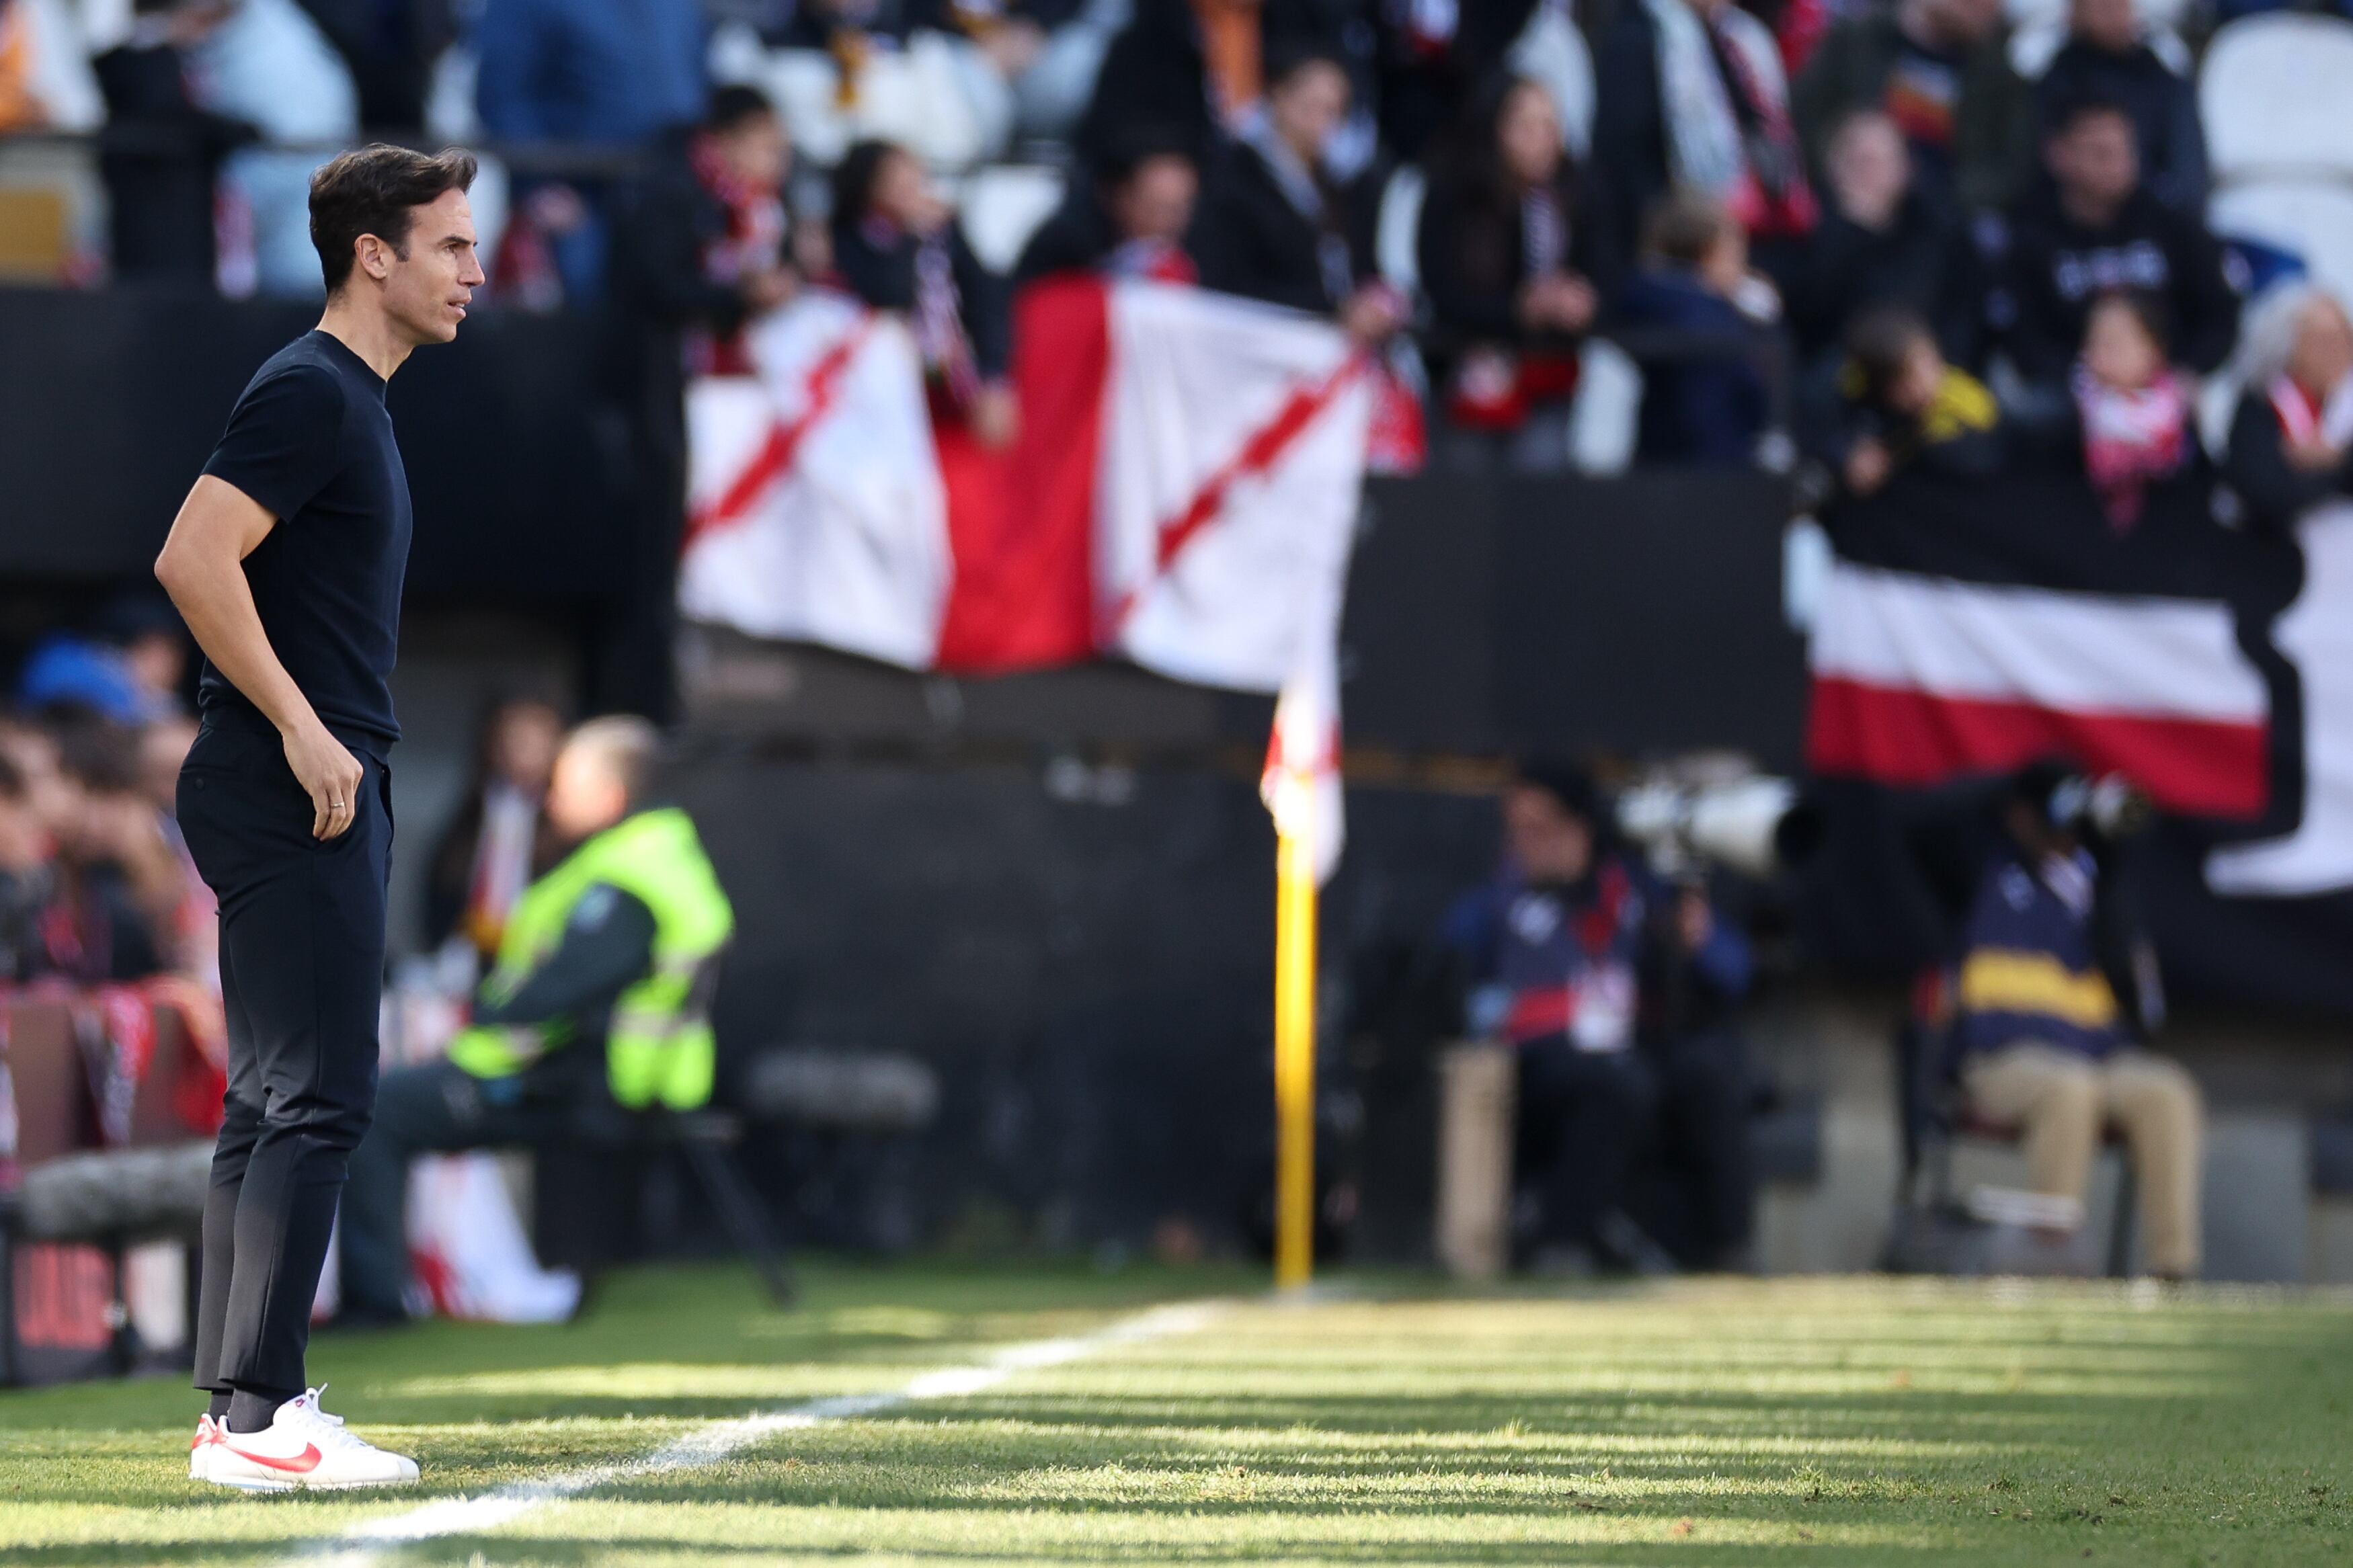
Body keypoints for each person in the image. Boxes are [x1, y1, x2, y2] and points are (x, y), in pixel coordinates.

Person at [152, 143, 483, 1491]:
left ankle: (240, 1403)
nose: (475, 269)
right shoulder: (311, 391)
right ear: (374, 253)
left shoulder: (353, 400)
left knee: (275, 1095)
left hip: (295, 773)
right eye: (451, 244)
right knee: (318, 1095)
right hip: (287, 776)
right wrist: (301, 723)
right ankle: (262, 1415)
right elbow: (191, 554)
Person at [339, 716, 735, 1323]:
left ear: (609, 795)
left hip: (574, 1083)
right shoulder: (658, 857)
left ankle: (375, 1308)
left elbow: (558, 990)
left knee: (375, 1115)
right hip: (611, 1078)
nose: (551, 799)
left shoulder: (627, 877)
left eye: (564, 784)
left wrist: (484, 1013)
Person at [1441, 766, 1757, 1272]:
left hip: (1629, 1053)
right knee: (1614, 1087)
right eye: (1516, 827)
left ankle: (1730, 1251)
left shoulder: (1632, 889)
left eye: (1539, 827)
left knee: (1710, 1071)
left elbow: (1736, 972)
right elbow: (1447, 981)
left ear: (1578, 828)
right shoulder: (1496, 903)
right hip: (1538, 1073)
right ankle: (1561, 1245)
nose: (1525, 842)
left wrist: (1699, 939)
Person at [1949, 766, 2200, 1280]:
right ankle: (2053, 1267)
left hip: (2094, 1052)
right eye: (2053, 814)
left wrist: (2109, 862)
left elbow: (2140, 998)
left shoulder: (2097, 884)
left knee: (2166, 1090)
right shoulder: (1981, 867)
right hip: (2002, 1057)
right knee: (2071, 1088)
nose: (2063, 829)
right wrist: (2016, 791)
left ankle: (2172, 1272)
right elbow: (1923, 824)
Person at [1417, 73, 1619, 468]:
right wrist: (1517, 309)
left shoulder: (1578, 190)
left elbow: (1608, 272)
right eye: (1525, 126)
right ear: (1494, 128)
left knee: (1536, 495)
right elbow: (1439, 288)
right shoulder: (1453, 193)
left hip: (1549, 375)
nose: (1541, 140)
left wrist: (1580, 301)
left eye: (1549, 126)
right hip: (1468, 377)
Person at [1989, 95, 2241, 393]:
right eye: (2100, 152)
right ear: (2058, 154)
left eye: (2125, 149)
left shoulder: (2171, 223)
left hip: (2166, 391)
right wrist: (2084, 384)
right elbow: (2021, 335)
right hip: (2067, 398)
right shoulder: (2030, 235)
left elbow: (2220, 312)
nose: (2118, 164)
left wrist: (2184, 373)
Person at [1188, 47, 1402, 342]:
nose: (1320, 124)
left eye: (1333, 111)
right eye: (1310, 106)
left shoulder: (1337, 185)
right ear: (1277, 95)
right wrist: (1333, 311)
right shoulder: (1234, 176)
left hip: (1331, 345)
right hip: (1262, 342)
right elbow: (1231, 283)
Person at [1590, 0, 1816, 274]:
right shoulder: (1637, 38)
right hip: (1677, 243)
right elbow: (1626, 157)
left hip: (1752, 228)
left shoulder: (1740, 36)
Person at [831, 139, 1019, 448]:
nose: (912, 186)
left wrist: (994, 375)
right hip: (880, 395)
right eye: (896, 177)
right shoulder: (848, 243)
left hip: (947, 382)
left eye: (914, 175)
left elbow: (984, 298)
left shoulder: (943, 233)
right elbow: (889, 296)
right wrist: (909, 236)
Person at [1791, 0, 2032, 215]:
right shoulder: (1856, 41)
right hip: (1840, 213)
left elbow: (2011, 173)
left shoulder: (2000, 79)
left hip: (1939, 231)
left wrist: (1933, 197)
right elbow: (1801, 122)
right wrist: (1843, 164)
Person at [1786, 108, 1970, 361]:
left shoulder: (1933, 232)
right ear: (1832, 166)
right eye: (1858, 161)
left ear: (1905, 169)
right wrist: (1849, 228)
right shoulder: (1804, 232)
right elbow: (1809, 311)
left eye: (1879, 161)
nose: (1869, 173)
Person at [1615, 191, 1777, 468]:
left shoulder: (1717, 310)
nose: (1742, 264)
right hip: (1697, 475)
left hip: (1687, 471)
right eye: (1734, 251)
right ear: (1707, 252)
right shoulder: (1702, 316)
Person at [1802, 303, 2001, 498]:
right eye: (1905, 383)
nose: (1922, 388)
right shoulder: (1844, 397)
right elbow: (1807, 426)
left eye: (1928, 366)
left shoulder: (1965, 404)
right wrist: (1845, 454)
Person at [423, 696, 566, 958]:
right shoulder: (474, 808)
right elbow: (441, 881)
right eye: (512, 738)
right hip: (463, 952)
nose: (520, 751)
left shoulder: (562, 820)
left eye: (533, 740)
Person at [2034, 0, 2204, 216]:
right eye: (2101, 5)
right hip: (2074, 224)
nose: (2113, 12)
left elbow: (2188, 175)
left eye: (2120, 4)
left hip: (2152, 218)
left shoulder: (2164, 83)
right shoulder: (2055, 83)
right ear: (2074, 13)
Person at [2221, 284, 2353, 533]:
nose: (2338, 349)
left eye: (2344, 335)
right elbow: (2268, 495)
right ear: (2287, 345)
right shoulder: (2261, 402)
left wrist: (2334, 458)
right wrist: (2337, 470)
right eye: (2322, 340)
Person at [2066, 290, 2194, 530]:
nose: (2100, 354)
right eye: (2094, 343)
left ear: (2154, 350)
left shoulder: (2171, 397)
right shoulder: (2082, 397)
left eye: (2115, 345)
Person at [1013, 125, 1201, 286]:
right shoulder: (1067, 249)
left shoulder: (1200, 247)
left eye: (1180, 210)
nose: (1170, 224)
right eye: (1156, 209)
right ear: (1121, 196)